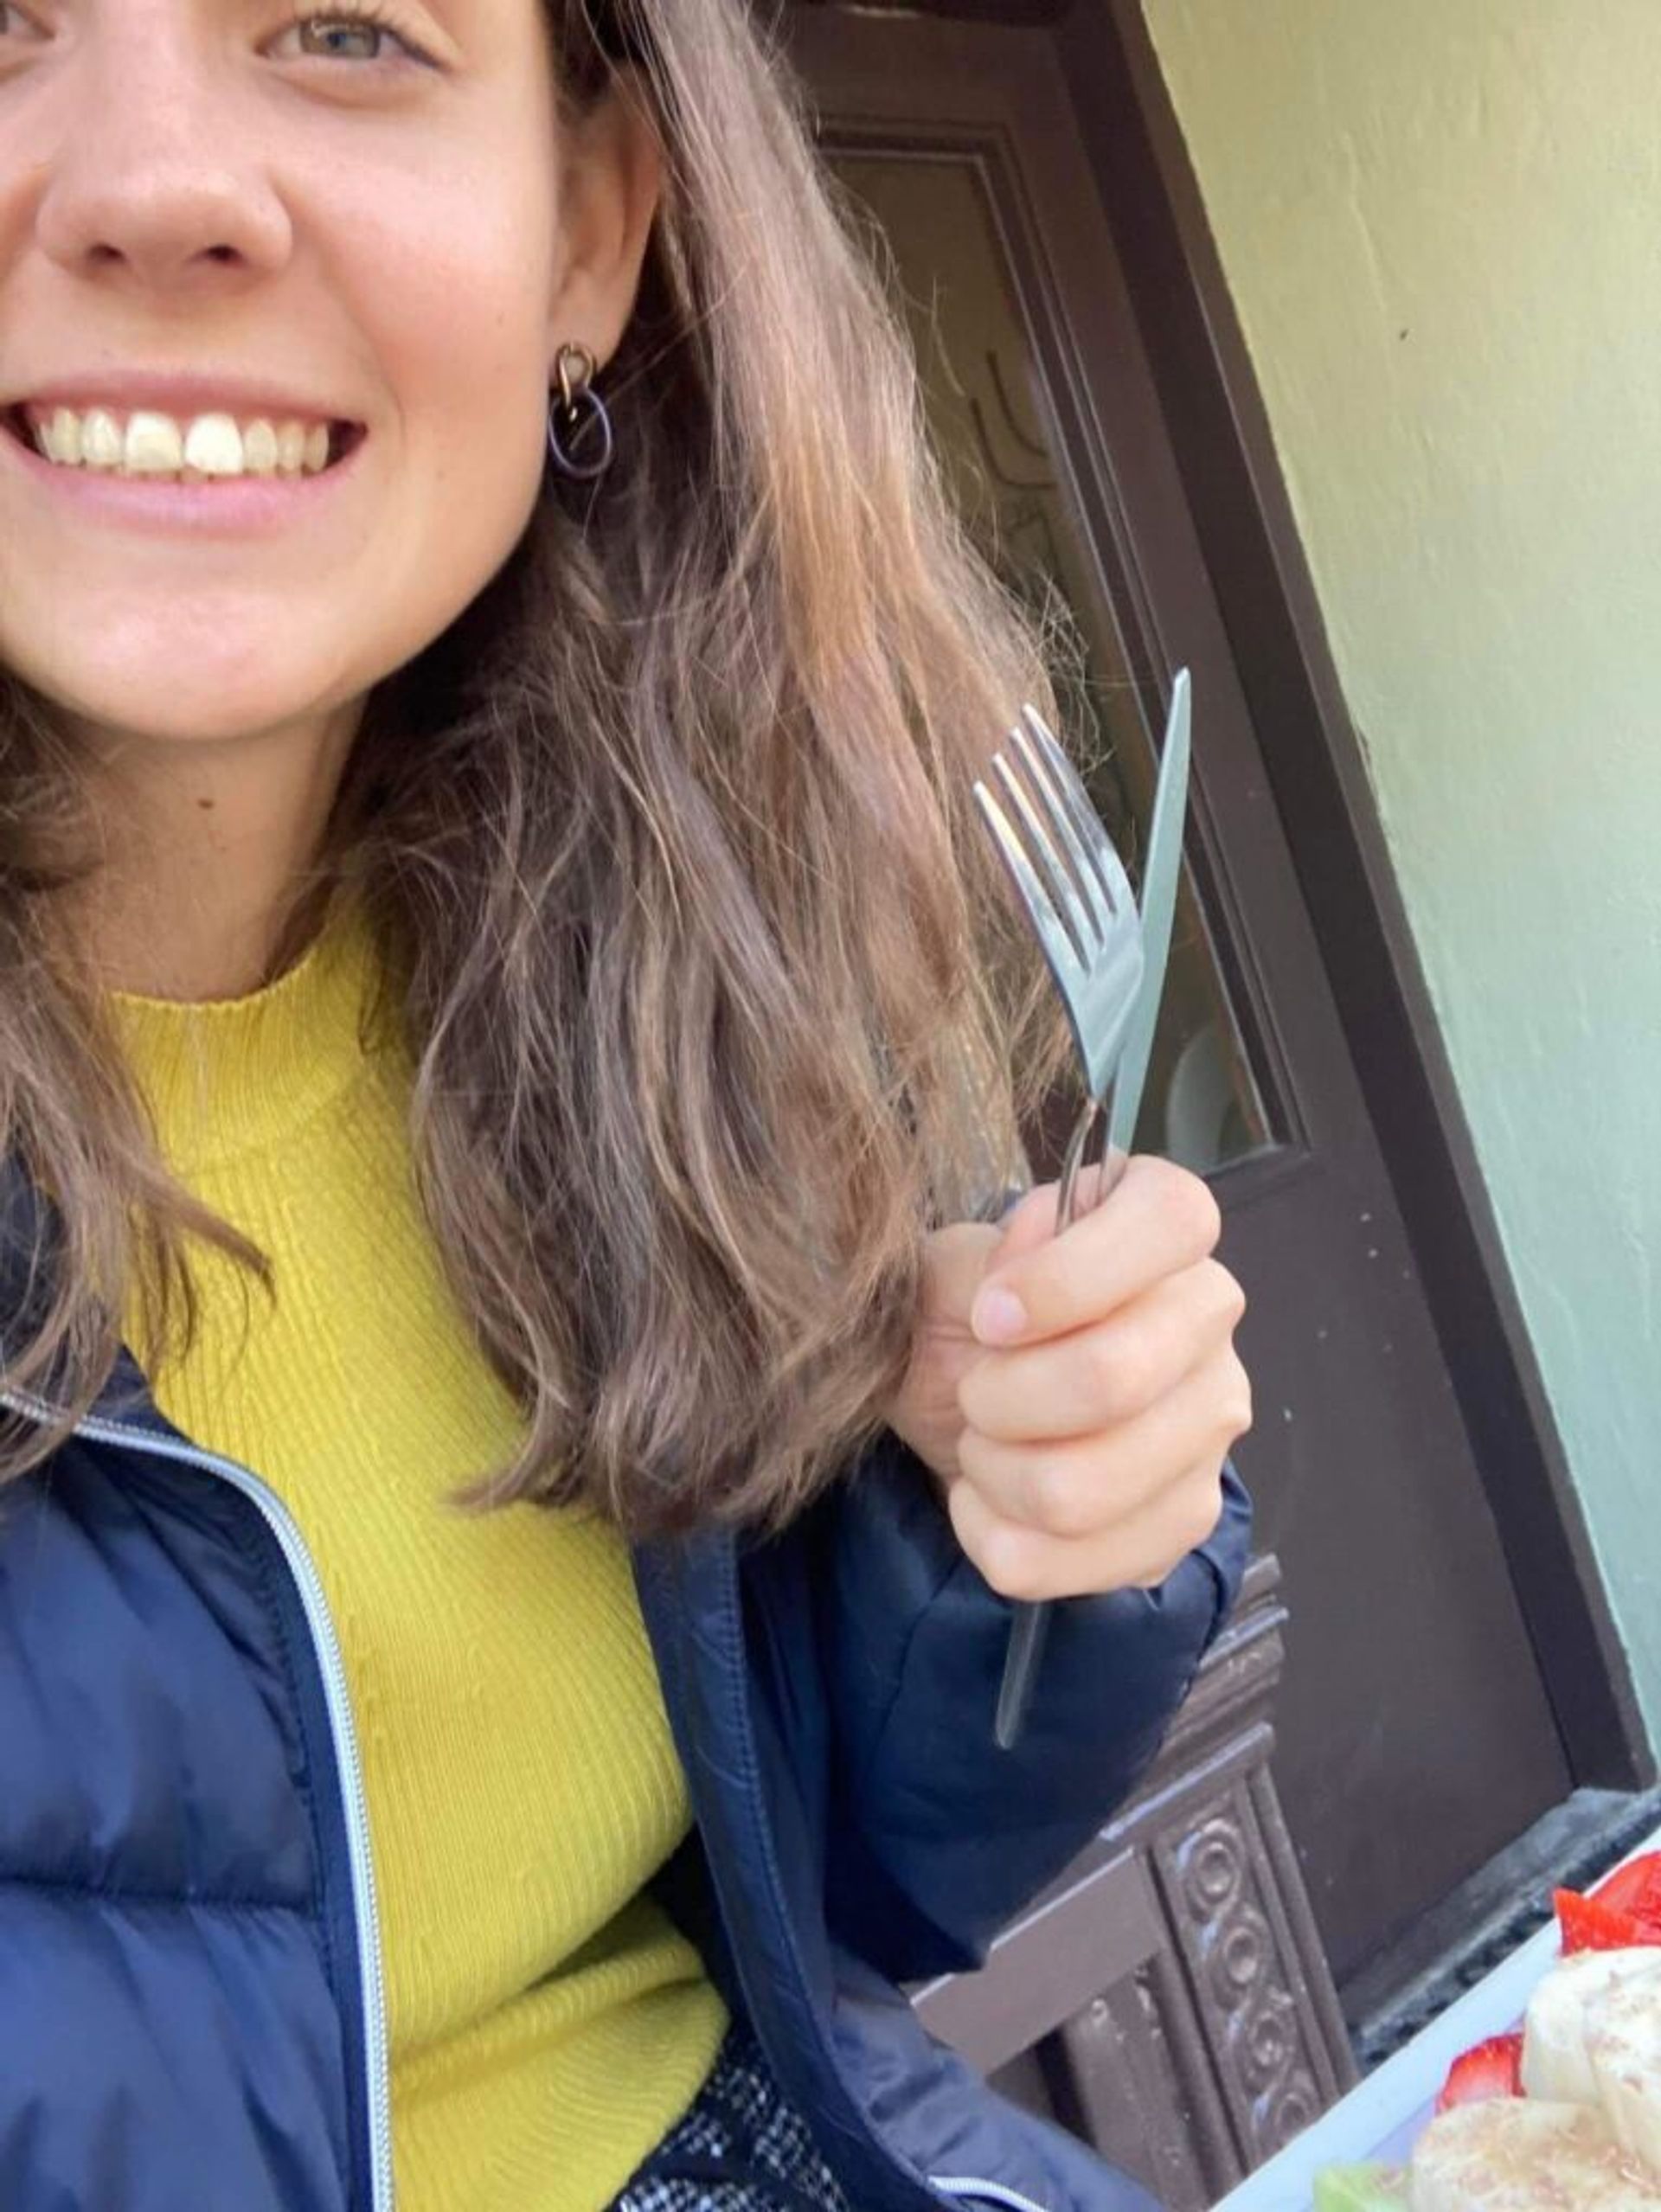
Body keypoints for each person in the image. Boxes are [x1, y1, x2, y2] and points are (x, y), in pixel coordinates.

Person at [0, 1, 1254, 2208]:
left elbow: (850, 1909)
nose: (155, 185)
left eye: (345, 23)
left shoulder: (636, 949)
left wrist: (992, 1514)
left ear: (592, 233)